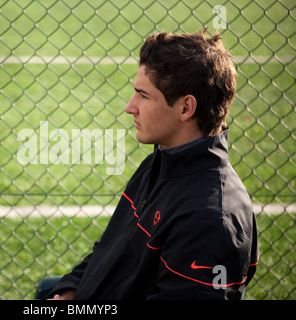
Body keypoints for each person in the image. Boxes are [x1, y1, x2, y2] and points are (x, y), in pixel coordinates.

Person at [46, 30, 259, 300]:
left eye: (143, 96)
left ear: (185, 108)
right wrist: (70, 290)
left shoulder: (210, 220)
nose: (129, 107)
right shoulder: (159, 163)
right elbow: (109, 253)